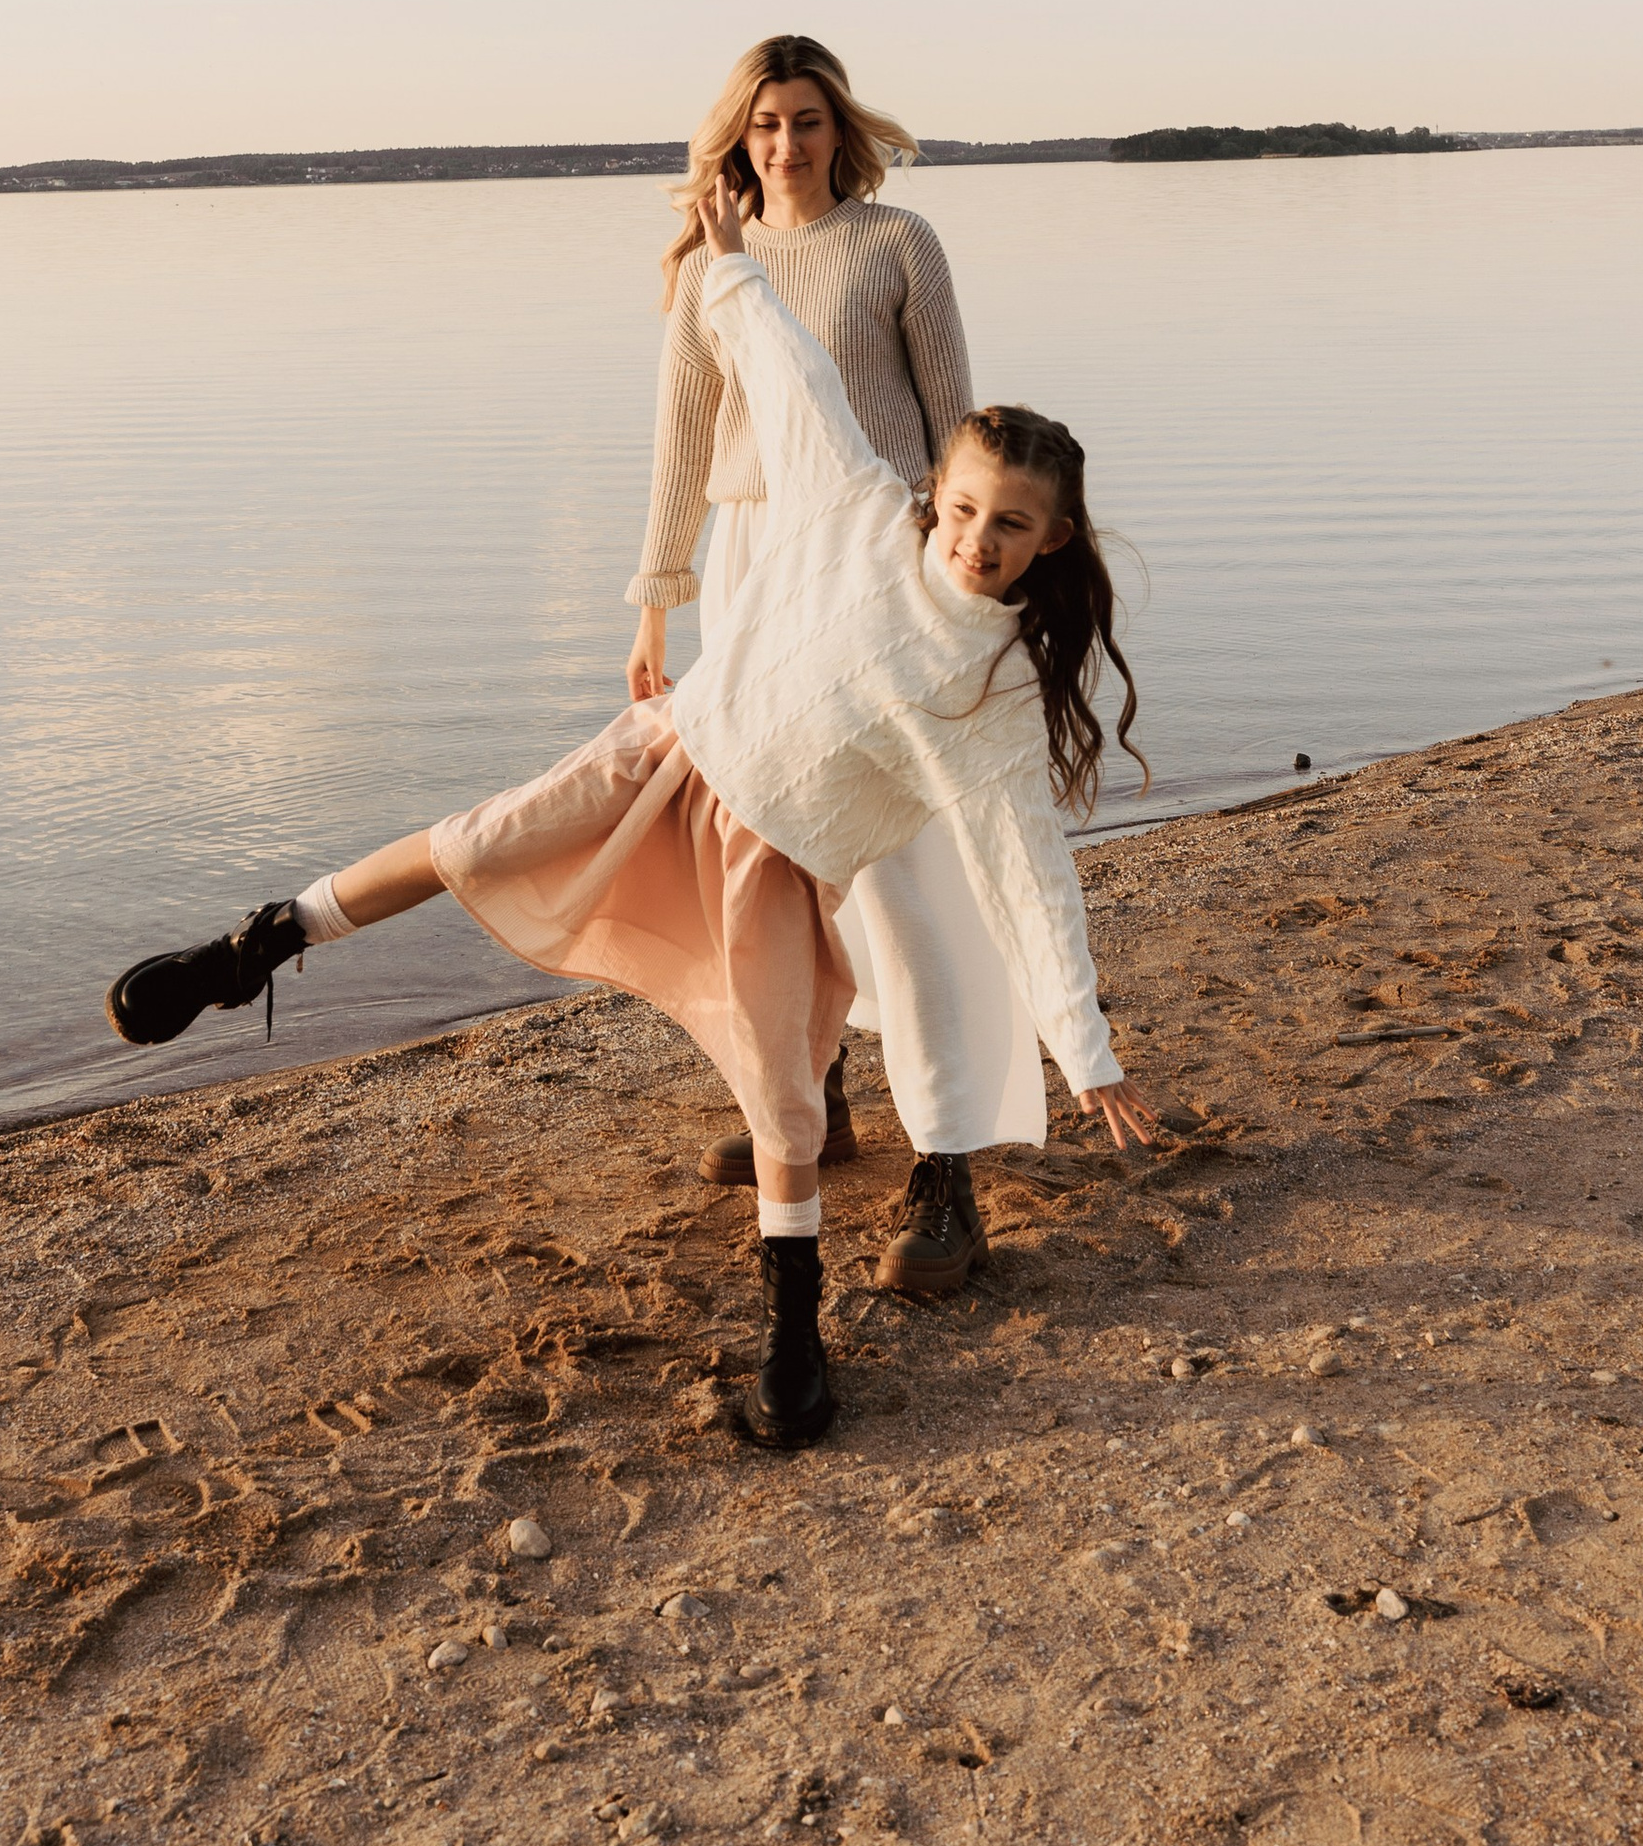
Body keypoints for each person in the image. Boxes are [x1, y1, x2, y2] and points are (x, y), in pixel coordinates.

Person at [105, 181, 1158, 1454]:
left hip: (776, 864)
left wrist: (1082, 1047)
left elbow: (1027, 873)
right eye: (971, 506)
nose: (979, 540)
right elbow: (792, 376)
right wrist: (728, 268)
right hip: (667, 757)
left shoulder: (988, 697)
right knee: (475, 842)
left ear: (1050, 545)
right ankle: (254, 948)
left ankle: (792, 1333)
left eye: (1014, 527)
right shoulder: (853, 508)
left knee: (784, 1100)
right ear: (939, 487)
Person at [627, 33, 1050, 1299]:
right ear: (735, 136)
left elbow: (962, 429)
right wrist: (657, 599)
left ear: (837, 128)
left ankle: (949, 1167)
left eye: (806, 121)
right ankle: (815, 1102)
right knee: (775, 863)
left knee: (911, 873)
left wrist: (956, 583)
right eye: (764, 124)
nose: (785, 145)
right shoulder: (715, 265)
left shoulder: (896, 244)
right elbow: (682, 434)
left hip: (878, 568)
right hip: (753, 577)